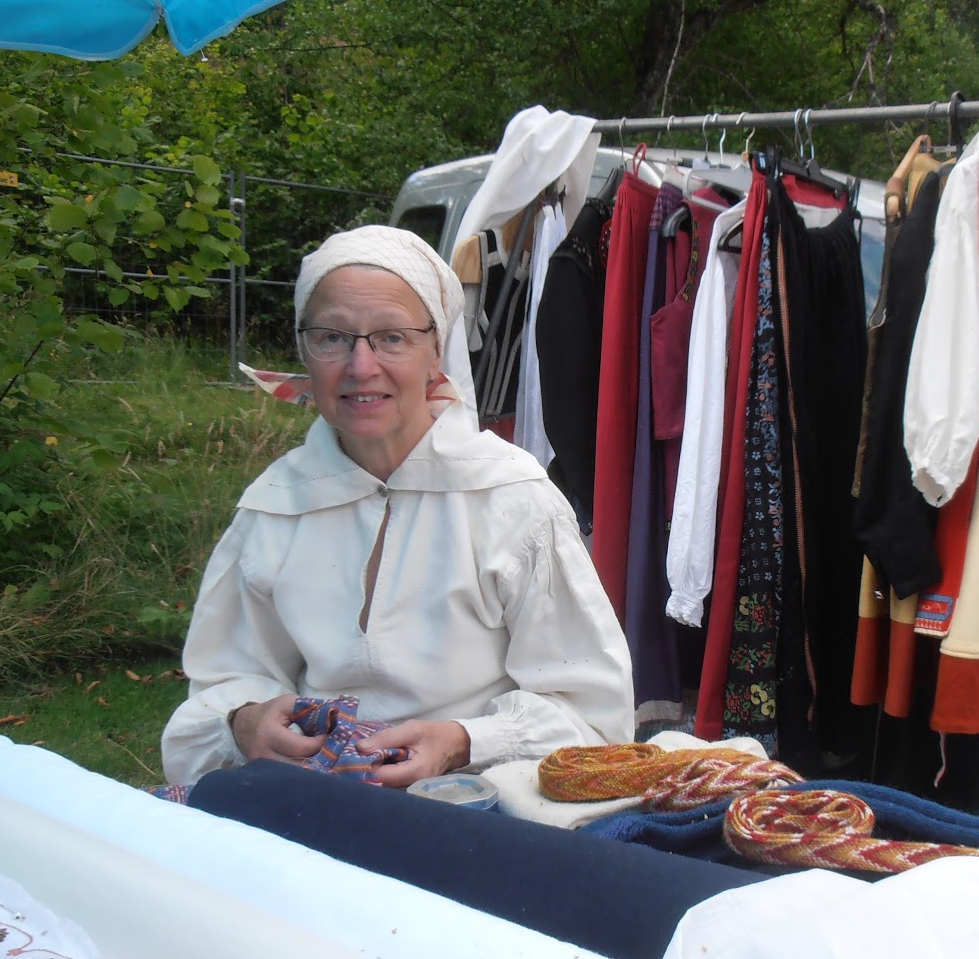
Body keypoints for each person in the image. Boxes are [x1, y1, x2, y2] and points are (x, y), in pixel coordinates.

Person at [161, 225, 634, 788]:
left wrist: (462, 742)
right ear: (303, 348)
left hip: (481, 812)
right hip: (311, 806)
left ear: (436, 351)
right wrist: (243, 723)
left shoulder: (512, 501)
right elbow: (221, 685)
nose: (361, 366)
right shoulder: (275, 508)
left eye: (391, 337)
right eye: (332, 337)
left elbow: (598, 717)